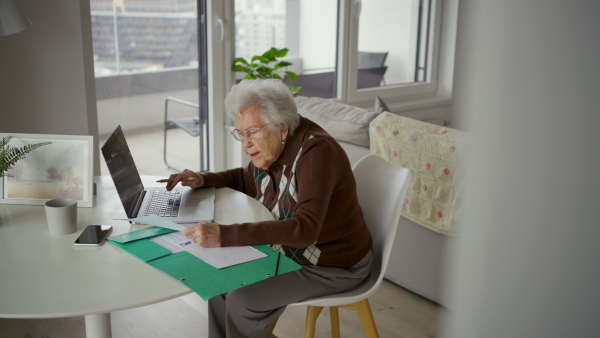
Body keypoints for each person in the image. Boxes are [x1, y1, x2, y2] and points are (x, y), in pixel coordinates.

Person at [166, 78, 372, 338]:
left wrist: (225, 235)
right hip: (293, 254)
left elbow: (304, 230)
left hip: (333, 264)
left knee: (243, 302)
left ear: (282, 128)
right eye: (240, 133)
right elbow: (245, 179)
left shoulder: (316, 153)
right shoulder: (272, 149)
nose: (245, 143)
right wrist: (204, 179)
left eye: (252, 132)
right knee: (219, 285)